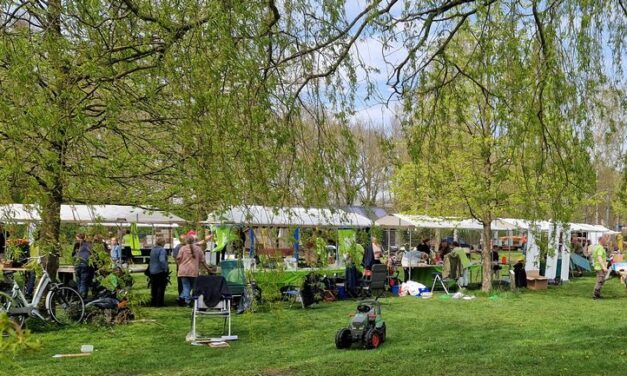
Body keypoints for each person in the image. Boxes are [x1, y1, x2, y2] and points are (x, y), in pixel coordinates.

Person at [177, 235, 211, 307]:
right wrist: (208, 269)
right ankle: (188, 300)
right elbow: (203, 261)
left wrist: (181, 264)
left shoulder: (182, 248)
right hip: (193, 270)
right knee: (192, 287)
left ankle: (184, 299)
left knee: (186, 286)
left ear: (186, 241)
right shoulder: (198, 249)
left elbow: (178, 259)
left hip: (183, 270)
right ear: (194, 241)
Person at [148, 237, 169, 307]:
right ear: (162, 243)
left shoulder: (153, 249)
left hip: (152, 271)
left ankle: (153, 302)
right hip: (160, 271)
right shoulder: (162, 250)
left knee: (153, 287)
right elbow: (162, 260)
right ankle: (159, 303)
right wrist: (165, 268)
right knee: (161, 287)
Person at [74, 233, 93, 299]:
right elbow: (92, 254)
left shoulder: (77, 244)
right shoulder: (88, 245)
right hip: (85, 264)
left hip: (78, 264)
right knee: (84, 282)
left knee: (79, 281)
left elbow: (73, 254)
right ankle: (82, 297)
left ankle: (80, 297)